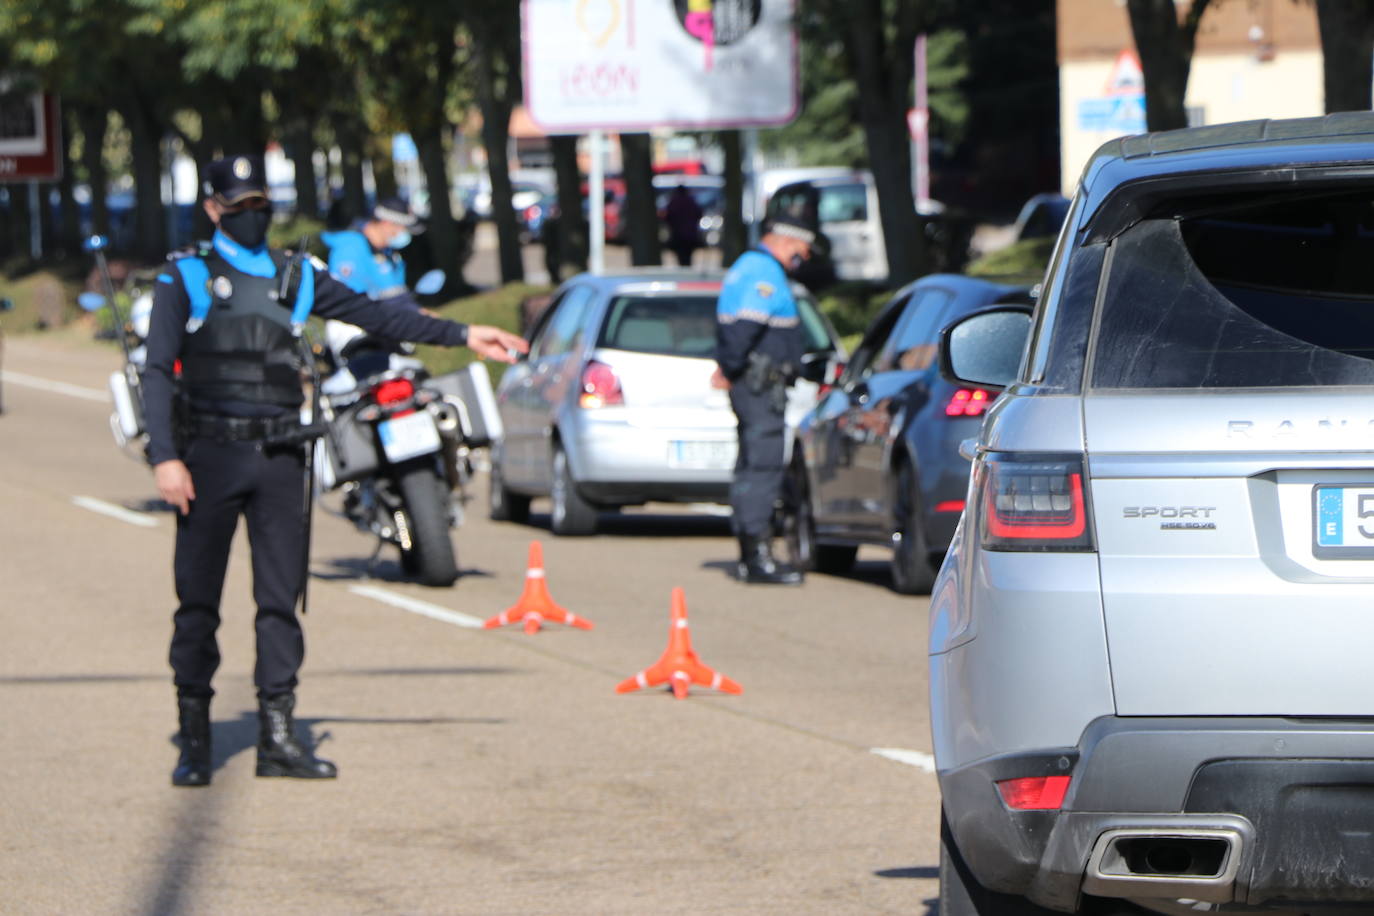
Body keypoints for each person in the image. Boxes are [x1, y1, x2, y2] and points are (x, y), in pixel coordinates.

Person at [143, 155, 527, 788]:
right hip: (208, 457)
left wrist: (463, 333)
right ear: (213, 209)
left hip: (282, 458)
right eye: (237, 207)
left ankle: (278, 735)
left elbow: (378, 316)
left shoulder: (296, 276)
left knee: (279, 603)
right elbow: (157, 371)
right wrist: (165, 458)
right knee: (198, 607)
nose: (251, 216)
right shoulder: (184, 277)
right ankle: (195, 736)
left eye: (259, 204)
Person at [713, 216, 816, 586]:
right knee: (763, 468)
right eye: (802, 252)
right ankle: (758, 558)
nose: (802, 259)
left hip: (752, 384)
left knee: (750, 466)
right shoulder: (764, 272)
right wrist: (733, 367)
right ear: (789, 243)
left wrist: (728, 368)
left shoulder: (745, 266)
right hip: (761, 385)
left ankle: (748, 553)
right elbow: (744, 329)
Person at [321, 197, 427, 381]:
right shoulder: (349, 249)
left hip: (385, 334)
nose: (403, 234)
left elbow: (397, 295)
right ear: (386, 223)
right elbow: (354, 301)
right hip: (356, 338)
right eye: (401, 228)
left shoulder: (389, 255)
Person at [663, 185, 704, 267]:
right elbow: (699, 214)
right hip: (690, 234)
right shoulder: (691, 201)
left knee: (681, 255)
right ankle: (687, 265)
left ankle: (683, 265)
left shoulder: (674, 202)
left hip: (678, 234)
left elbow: (668, 216)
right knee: (688, 255)